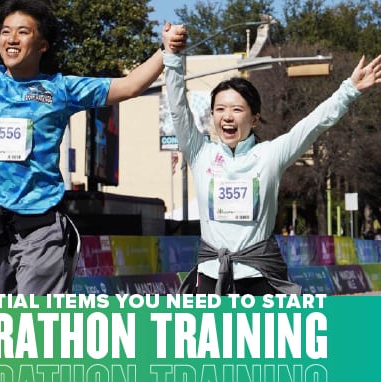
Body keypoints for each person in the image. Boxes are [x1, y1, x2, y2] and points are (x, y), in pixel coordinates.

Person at [0, 0, 187, 294]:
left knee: (32, 322)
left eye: (23, 32)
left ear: (43, 44)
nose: (11, 39)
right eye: (6, 31)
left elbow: (130, 85)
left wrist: (165, 51)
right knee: (7, 323)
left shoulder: (61, 89)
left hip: (42, 232)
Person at [163, 37, 381, 295]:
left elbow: (313, 124)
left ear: (254, 118)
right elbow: (178, 109)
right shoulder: (200, 153)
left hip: (261, 276)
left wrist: (349, 89)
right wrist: (173, 58)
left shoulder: (270, 154)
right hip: (211, 276)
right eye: (220, 109)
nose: (227, 116)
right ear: (212, 116)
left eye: (237, 109)